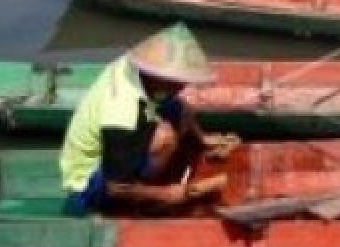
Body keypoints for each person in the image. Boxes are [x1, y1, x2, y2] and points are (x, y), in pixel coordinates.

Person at [60, 26, 228, 215]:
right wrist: (166, 194)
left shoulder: (134, 68)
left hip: (120, 140)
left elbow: (179, 105)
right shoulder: (122, 112)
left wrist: (202, 138)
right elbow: (116, 187)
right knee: (165, 139)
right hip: (89, 185)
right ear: (156, 75)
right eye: (176, 81)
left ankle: (146, 187)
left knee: (182, 109)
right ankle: (136, 203)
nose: (182, 86)